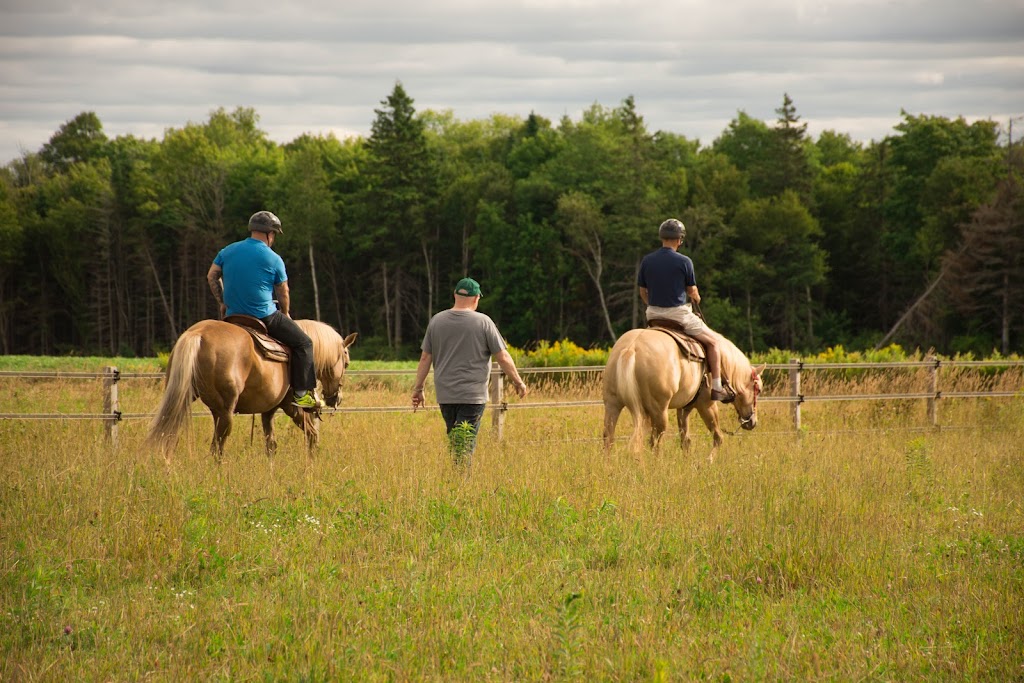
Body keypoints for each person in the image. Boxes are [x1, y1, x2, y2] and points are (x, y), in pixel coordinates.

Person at [206, 210, 320, 410]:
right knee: (304, 343)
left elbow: (212, 276)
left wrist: (222, 302)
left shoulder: (227, 251)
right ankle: (302, 394)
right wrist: (285, 314)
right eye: (274, 235)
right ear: (270, 234)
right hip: (264, 316)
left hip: (233, 316)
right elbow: (283, 290)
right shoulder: (273, 258)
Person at [411, 277, 528, 464]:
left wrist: (418, 389)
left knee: (456, 440)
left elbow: (425, 358)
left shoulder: (436, 321)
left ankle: (457, 480)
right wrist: (518, 382)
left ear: (455, 295)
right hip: (472, 395)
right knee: (464, 444)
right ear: (476, 299)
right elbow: (503, 357)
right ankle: (462, 483)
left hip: (446, 395)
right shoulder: (484, 322)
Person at [638, 218, 733, 403]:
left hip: (653, 314)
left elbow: (642, 291)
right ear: (679, 240)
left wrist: (654, 305)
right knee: (714, 343)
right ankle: (717, 387)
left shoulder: (647, 260)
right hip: (678, 315)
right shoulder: (685, 262)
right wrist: (696, 297)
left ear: (661, 238)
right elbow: (691, 290)